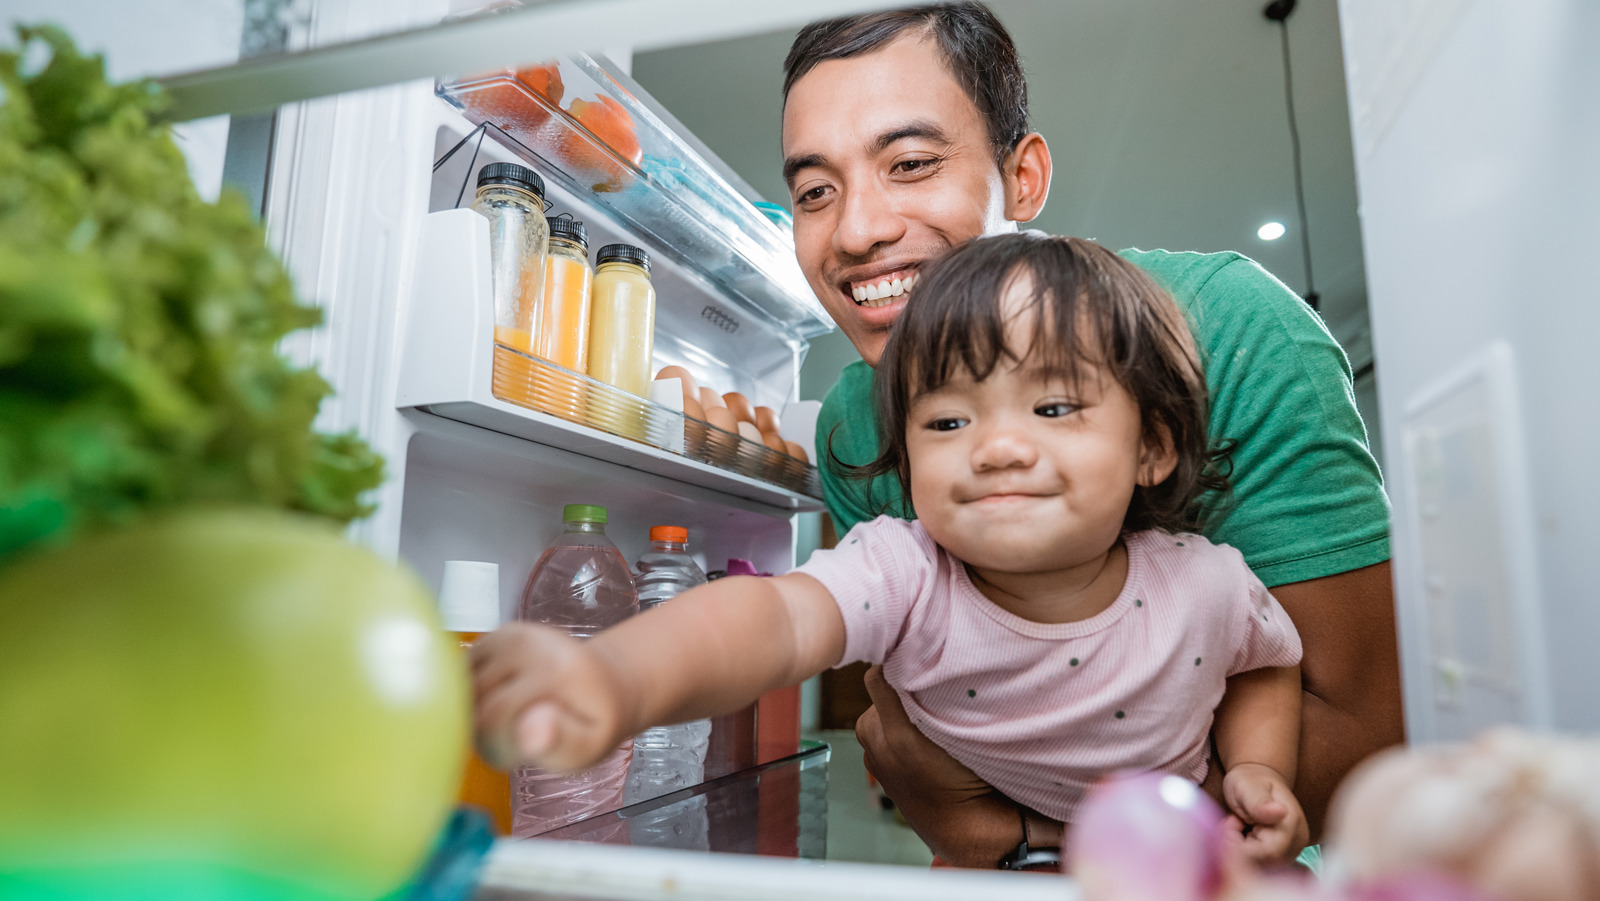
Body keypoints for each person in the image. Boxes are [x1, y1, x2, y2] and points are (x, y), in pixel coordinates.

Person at [782, 3, 1400, 867]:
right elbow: (911, 730)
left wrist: (1012, 838)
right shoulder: (856, 420)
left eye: (911, 163)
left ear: (1023, 178)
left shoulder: (1231, 329)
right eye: (815, 192)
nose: (855, 231)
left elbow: (1364, 737)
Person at [473, 233, 1308, 863]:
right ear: (908, 457)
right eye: (949, 420)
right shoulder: (906, 574)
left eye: (1053, 408)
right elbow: (772, 618)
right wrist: (614, 677)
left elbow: (1264, 662)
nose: (999, 447)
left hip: (1187, 870)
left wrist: (1259, 767)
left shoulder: (1205, 582)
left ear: (1152, 448)